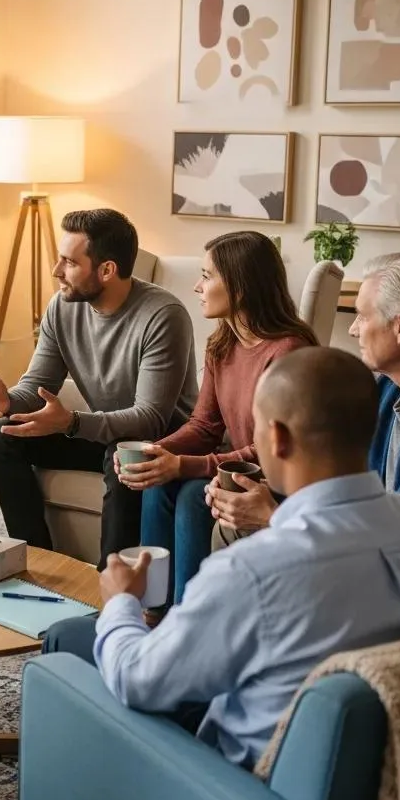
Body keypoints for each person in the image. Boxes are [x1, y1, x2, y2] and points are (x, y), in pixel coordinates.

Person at [0, 348, 400, 800]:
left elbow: (138, 681)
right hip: (386, 797)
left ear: (275, 439)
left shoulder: (253, 572)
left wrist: (120, 600)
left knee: (73, 647)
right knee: (88, 634)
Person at [0, 209, 198, 566]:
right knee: (1, 436)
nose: (56, 271)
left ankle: (112, 584)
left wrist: (72, 423)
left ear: (106, 270)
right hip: (98, 432)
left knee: (123, 453)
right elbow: (38, 385)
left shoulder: (163, 315)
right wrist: (9, 400)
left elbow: (150, 418)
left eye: (69, 262)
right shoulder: (63, 306)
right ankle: (38, 561)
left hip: (157, 441)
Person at [118, 231, 316, 602]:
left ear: (240, 287)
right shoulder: (222, 343)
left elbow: (268, 450)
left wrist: (183, 465)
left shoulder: (288, 351)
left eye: (207, 276)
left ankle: (188, 613)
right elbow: (204, 426)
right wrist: (155, 452)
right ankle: (151, 606)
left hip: (281, 476)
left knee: (196, 494)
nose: (197, 286)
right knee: (157, 480)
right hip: (238, 469)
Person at [206, 251, 400, 538]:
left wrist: (273, 516)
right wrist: (259, 485)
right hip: (374, 539)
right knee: (229, 525)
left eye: (362, 316)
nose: (353, 329)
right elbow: (338, 475)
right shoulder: (388, 387)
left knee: (238, 531)